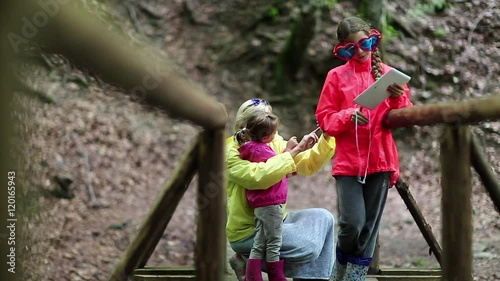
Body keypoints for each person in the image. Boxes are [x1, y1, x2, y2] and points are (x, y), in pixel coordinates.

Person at [315, 16, 412, 281]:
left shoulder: (389, 74)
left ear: (373, 39)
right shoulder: (335, 77)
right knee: (352, 223)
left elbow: (405, 114)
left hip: (380, 160)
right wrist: (347, 116)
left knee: (369, 226)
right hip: (348, 162)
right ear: (342, 50)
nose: (360, 51)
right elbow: (325, 118)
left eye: (365, 43)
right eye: (350, 48)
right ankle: (340, 266)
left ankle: (355, 276)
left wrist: (397, 97)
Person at [226, 98, 337, 281]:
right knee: (308, 246)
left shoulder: (272, 141)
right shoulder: (231, 150)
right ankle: (247, 261)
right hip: (249, 232)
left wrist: (327, 136)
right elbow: (256, 177)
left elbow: (306, 164)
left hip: (277, 218)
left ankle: (248, 262)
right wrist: (289, 156)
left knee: (323, 217)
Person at [235, 111, 305, 281]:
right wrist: (296, 148)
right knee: (274, 241)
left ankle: (252, 276)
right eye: (274, 133)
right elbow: (280, 164)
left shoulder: (250, 149)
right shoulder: (262, 151)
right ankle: (276, 276)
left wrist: (287, 151)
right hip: (272, 203)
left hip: (260, 205)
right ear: (266, 137)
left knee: (259, 241)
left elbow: (278, 162)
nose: (275, 136)